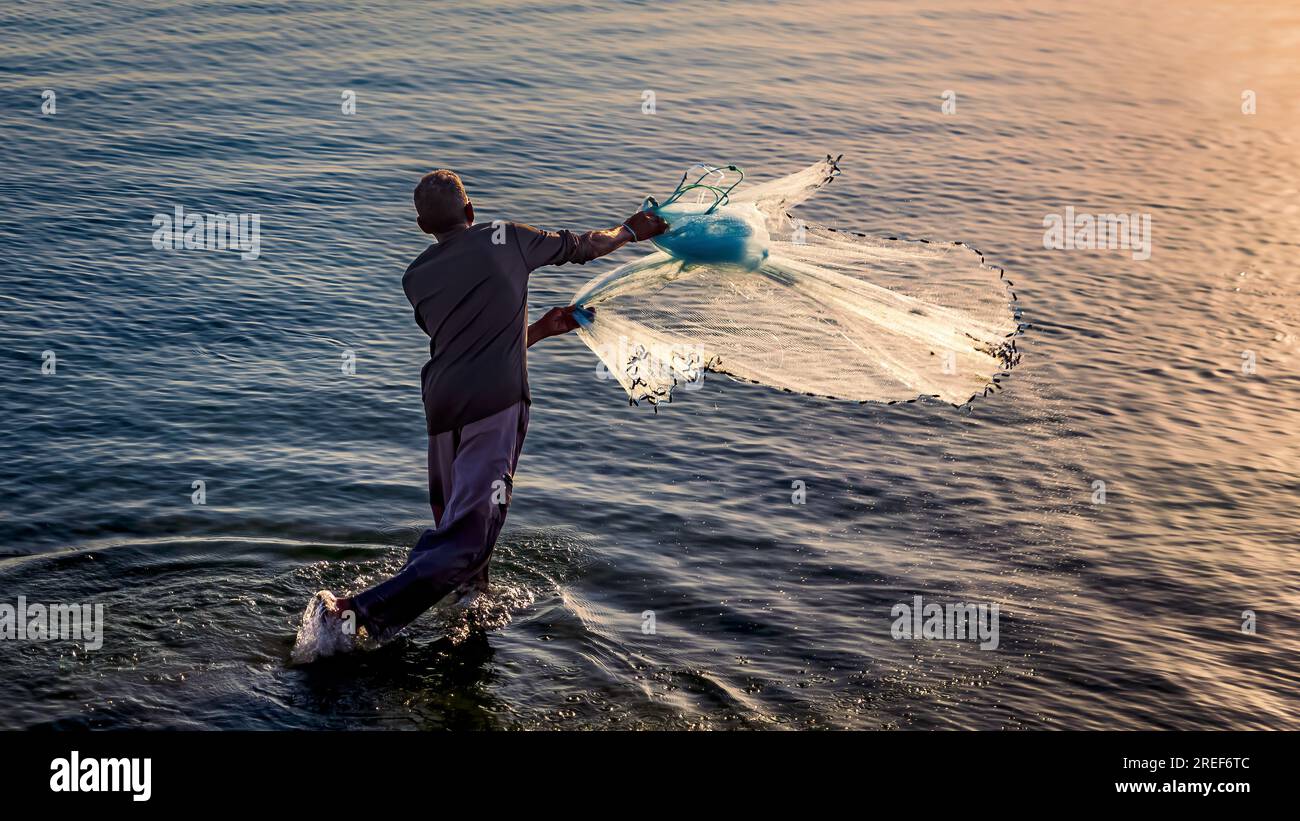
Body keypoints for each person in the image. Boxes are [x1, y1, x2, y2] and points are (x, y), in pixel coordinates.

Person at [299, 169, 667, 655]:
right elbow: (588, 246)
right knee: (469, 537)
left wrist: (536, 330)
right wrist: (629, 230)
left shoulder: (416, 278)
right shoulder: (507, 238)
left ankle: (472, 609)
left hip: (442, 403)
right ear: (471, 212)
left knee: (458, 523)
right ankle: (353, 613)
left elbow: (466, 344)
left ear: (421, 226)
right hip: (494, 402)